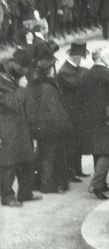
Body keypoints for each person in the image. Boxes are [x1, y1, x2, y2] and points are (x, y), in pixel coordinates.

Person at [25, 52, 73, 193]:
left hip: (37, 127)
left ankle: (38, 183)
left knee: (42, 154)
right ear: (49, 70)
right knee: (51, 155)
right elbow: (54, 111)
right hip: (51, 128)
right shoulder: (49, 88)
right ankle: (49, 185)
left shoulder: (33, 85)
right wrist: (66, 126)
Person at [80, 47, 109, 199]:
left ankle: (102, 183)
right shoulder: (108, 74)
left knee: (97, 150)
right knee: (108, 151)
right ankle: (97, 184)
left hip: (89, 119)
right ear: (103, 58)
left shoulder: (86, 74)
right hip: (106, 118)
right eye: (108, 56)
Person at [1, 53, 39, 207]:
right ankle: (7, 196)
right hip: (7, 130)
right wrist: (22, 88)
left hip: (21, 128)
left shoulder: (11, 81)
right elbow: (13, 103)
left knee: (28, 161)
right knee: (8, 165)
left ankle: (25, 193)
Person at [55, 40, 89, 180]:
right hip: (70, 112)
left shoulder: (74, 69)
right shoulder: (65, 71)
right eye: (81, 57)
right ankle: (70, 172)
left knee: (78, 141)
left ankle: (77, 169)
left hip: (77, 111)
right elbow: (77, 85)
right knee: (71, 143)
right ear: (77, 57)